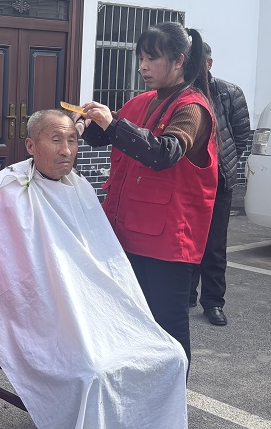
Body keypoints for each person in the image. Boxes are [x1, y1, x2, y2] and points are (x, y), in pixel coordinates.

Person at [0, 109, 189, 429]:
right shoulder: (1, 193)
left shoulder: (80, 188)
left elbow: (103, 261)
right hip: (40, 317)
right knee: (91, 373)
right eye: (56, 140)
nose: (66, 150)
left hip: (94, 312)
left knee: (171, 354)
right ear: (30, 145)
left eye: (72, 140)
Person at [78, 21, 217, 365]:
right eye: (140, 58)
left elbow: (164, 153)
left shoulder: (193, 108)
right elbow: (109, 135)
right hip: (126, 231)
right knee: (130, 319)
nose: (143, 66)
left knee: (168, 327)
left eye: (152, 58)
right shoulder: (142, 102)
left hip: (167, 242)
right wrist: (87, 123)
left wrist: (113, 124)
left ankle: (173, 395)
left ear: (179, 60)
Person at [189, 42, 251, 326]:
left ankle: (213, 302)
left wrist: (224, 164)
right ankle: (187, 294)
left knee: (214, 245)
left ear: (208, 64)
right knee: (187, 240)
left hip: (219, 181)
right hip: (188, 181)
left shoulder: (229, 92)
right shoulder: (182, 93)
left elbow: (241, 136)